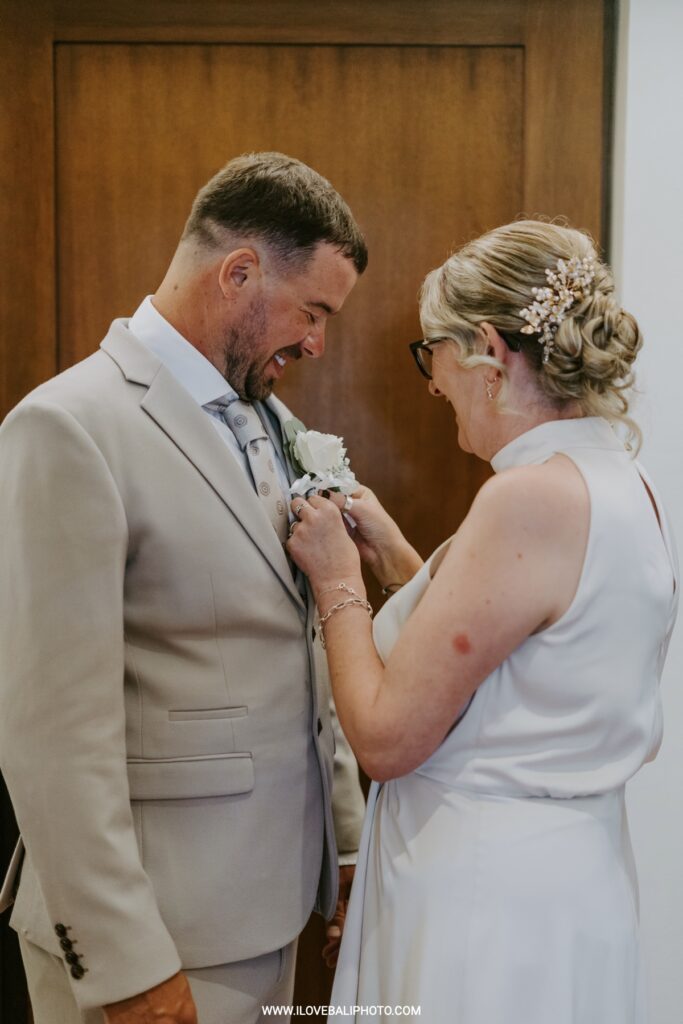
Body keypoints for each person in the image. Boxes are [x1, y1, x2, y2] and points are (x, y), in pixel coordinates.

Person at [0, 152, 368, 1024]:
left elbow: (301, 654)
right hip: (156, 935)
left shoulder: (270, 420)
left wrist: (346, 845)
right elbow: (52, 737)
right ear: (237, 273)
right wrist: (127, 966)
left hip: (274, 906)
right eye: (312, 311)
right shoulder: (69, 427)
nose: (316, 343)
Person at [286, 219, 680, 1023]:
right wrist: (398, 560)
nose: (431, 382)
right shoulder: (621, 480)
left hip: (485, 898)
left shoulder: (526, 498)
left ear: (488, 351)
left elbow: (387, 740)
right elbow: (512, 658)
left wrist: (335, 580)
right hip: (568, 882)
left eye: (430, 350)